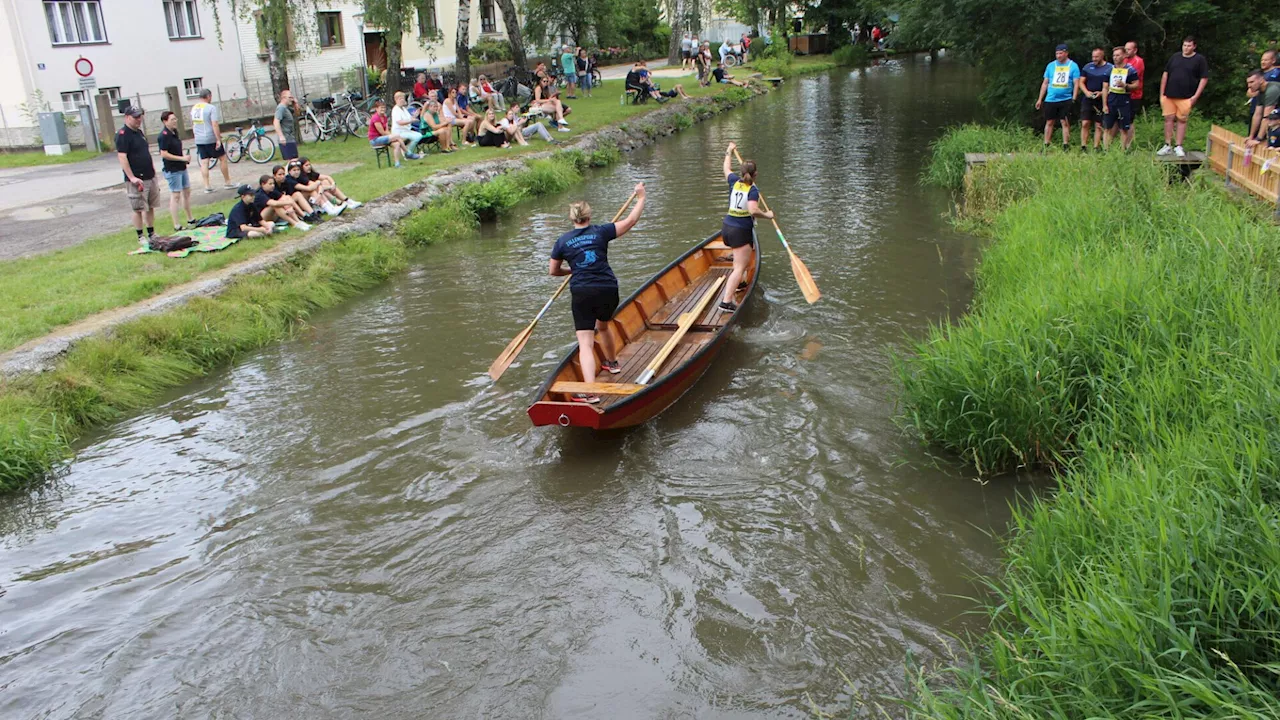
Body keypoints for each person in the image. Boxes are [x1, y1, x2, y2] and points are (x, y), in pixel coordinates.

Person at [548, 182, 648, 404]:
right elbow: (631, 221)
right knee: (603, 325)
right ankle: (612, 363)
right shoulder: (601, 231)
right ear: (589, 216)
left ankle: (590, 391)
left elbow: (553, 271)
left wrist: (570, 270)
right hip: (608, 289)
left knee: (585, 342)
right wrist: (640, 198)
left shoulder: (562, 241)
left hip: (582, 291)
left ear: (572, 218)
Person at [717, 142, 771, 313]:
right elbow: (753, 210)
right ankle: (726, 302)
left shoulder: (733, 181)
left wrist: (729, 151)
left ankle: (738, 283)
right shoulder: (753, 190)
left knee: (740, 263)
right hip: (740, 231)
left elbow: (725, 168)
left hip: (726, 227)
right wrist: (767, 215)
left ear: (742, 172)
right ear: (756, 174)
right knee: (740, 267)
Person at [1158, 36, 1208, 158]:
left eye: (1189, 46)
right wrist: (1162, 93)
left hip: (1186, 96)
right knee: (1168, 119)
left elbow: (1204, 78)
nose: (1186, 48)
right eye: (1184, 45)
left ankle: (1178, 145)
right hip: (1169, 94)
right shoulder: (1175, 57)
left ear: (1194, 46)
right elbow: (1165, 74)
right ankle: (1167, 145)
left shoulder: (1199, 59)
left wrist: (1196, 96)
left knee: (1182, 120)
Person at [115, 106, 159, 243]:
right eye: (135, 117)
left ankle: (152, 233)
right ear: (127, 117)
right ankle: (140, 236)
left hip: (149, 175)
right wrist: (131, 177)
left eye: (140, 116)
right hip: (136, 178)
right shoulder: (122, 135)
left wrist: (153, 171)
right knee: (138, 208)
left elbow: (146, 153)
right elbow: (122, 157)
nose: (139, 119)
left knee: (150, 206)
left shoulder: (139, 132)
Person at [1035, 44, 1080, 151]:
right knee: (1049, 121)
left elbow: (1076, 83)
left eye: (1061, 53)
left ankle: (1066, 145)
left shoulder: (1073, 66)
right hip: (1051, 98)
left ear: (1066, 53)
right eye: (1057, 53)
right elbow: (1045, 83)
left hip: (1065, 98)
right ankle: (1046, 144)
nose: (1058, 56)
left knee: (1064, 122)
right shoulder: (1051, 66)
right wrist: (1040, 99)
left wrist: (1074, 97)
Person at [157, 110, 196, 231]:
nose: (175, 121)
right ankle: (176, 224)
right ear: (165, 121)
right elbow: (164, 154)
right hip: (172, 169)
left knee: (187, 192)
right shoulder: (163, 136)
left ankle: (190, 218)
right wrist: (181, 158)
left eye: (175, 119)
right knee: (176, 195)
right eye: (172, 119)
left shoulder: (174, 132)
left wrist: (184, 158)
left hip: (181, 167)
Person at [190, 88, 233, 193]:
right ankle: (227, 182)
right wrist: (218, 138)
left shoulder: (194, 108)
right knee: (222, 158)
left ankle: (207, 185)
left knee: (204, 161)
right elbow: (214, 124)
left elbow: (193, 124)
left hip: (199, 138)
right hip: (210, 137)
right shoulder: (211, 108)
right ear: (209, 96)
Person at [1103, 46, 1139, 151]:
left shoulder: (1130, 70)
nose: (1115, 57)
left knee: (1123, 128)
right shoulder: (1109, 70)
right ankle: (1106, 150)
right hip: (1111, 99)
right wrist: (1104, 104)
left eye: (1118, 55)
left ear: (1124, 55)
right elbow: (1105, 87)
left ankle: (1123, 150)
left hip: (1124, 100)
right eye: (1114, 55)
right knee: (1107, 127)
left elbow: (1136, 85)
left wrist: (1126, 86)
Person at [1076, 48, 1111, 152]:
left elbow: (1111, 85)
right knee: (1085, 123)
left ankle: (1096, 146)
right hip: (1088, 98)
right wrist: (1086, 92)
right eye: (1093, 57)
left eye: (1097, 57)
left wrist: (1101, 93)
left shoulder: (1109, 68)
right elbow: (1081, 82)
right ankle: (1083, 146)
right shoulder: (1087, 67)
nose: (1094, 59)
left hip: (1101, 98)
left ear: (1102, 56)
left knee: (1098, 124)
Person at [1247, 50, 1280, 145]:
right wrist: (1251, 136)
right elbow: (1257, 115)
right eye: (1248, 83)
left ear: (1261, 80)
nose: (1249, 86)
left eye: (1252, 82)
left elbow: (1266, 117)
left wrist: (1258, 139)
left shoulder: (1272, 90)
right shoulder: (1261, 92)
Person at [368, 99, 408, 167]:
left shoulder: (384, 117)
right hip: (375, 139)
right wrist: (393, 136)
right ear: (376, 109)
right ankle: (407, 153)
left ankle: (397, 164)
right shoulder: (375, 118)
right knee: (397, 136)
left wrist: (392, 136)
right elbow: (382, 132)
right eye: (381, 108)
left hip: (384, 138)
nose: (383, 109)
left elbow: (386, 130)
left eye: (384, 108)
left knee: (397, 144)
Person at [391, 91, 426, 159]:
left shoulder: (404, 109)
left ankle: (409, 152)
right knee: (417, 137)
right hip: (398, 132)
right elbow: (400, 122)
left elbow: (409, 118)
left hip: (406, 130)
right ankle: (408, 153)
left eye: (403, 98)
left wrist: (415, 115)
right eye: (400, 99)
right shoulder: (395, 110)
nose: (402, 100)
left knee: (419, 135)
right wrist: (411, 120)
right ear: (396, 100)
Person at [273, 89, 299, 161]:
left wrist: (296, 103)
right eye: (290, 97)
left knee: (294, 162)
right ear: (284, 98)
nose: (292, 99)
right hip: (286, 140)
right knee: (292, 162)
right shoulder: (281, 108)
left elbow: (297, 113)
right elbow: (276, 122)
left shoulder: (286, 108)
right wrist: (281, 136)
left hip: (291, 138)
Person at [1124, 41, 1146, 106]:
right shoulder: (1124, 59)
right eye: (1125, 49)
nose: (1126, 51)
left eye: (1128, 49)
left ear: (1135, 50)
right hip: (1123, 93)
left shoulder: (1138, 61)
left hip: (1134, 95)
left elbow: (1131, 77)